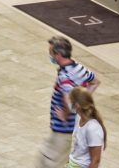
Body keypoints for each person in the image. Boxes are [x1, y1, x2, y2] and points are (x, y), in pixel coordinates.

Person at [35, 36, 99, 168]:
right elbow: (95, 82)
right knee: (46, 158)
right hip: (66, 129)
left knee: (49, 164)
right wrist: (83, 98)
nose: (50, 56)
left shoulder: (64, 77)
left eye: (51, 52)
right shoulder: (79, 68)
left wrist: (65, 113)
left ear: (58, 55)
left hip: (63, 129)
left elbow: (69, 101)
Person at [66, 87, 104, 168]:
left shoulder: (93, 129)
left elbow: (95, 161)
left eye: (70, 101)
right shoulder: (78, 117)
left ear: (76, 105)